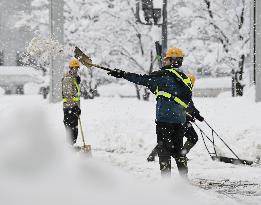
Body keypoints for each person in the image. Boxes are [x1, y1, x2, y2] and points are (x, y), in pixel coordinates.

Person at [107, 47, 193, 178]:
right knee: (178, 150)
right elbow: (166, 92)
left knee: (164, 150)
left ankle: (166, 181)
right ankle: (184, 178)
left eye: (167, 59)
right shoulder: (183, 78)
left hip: (165, 119)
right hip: (180, 120)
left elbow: (142, 79)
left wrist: (122, 74)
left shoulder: (164, 75)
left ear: (174, 60)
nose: (164, 62)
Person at [147, 73, 204, 162]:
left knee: (169, 139)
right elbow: (178, 108)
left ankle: (153, 154)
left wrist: (198, 116)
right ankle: (181, 155)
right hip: (179, 121)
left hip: (178, 120)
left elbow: (190, 107)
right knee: (192, 138)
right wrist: (189, 116)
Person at [62, 58, 81, 146]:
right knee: (71, 129)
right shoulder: (68, 79)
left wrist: (77, 107)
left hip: (73, 107)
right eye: (74, 68)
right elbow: (68, 95)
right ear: (70, 68)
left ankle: (71, 146)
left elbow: (76, 95)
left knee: (74, 129)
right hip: (69, 108)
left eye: (77, 68)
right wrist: (75, 107)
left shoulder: (73, 79)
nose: (76, 70)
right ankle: (69, 147)